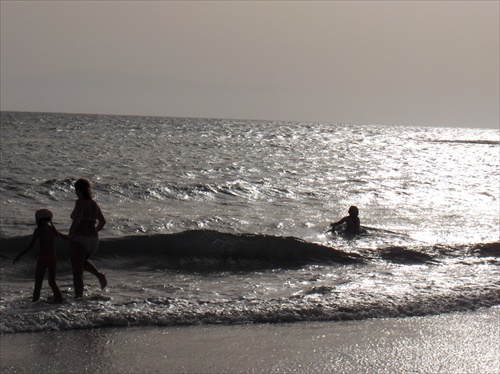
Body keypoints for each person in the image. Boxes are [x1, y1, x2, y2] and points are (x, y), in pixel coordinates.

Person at [13, 209, 71, 302]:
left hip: (43, 258)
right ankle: (59, 299)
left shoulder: (38, 230)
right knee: (52, 282)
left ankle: (35, 302)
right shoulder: (53, 230)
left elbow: (31, 246)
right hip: (53, 258)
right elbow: (66, 237)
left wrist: (19, 255)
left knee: (38, 283)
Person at [69, 178, 107, 298]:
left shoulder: (80, 202)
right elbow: (102, 221)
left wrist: (71, 233)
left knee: (77, 272)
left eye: (76, 190)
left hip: (80, 238)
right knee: (82, 263)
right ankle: (98, 275)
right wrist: (94, 232)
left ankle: (78, 297)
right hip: (93, 241)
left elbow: (77, 218)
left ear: (79, 190)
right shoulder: (94, 203)